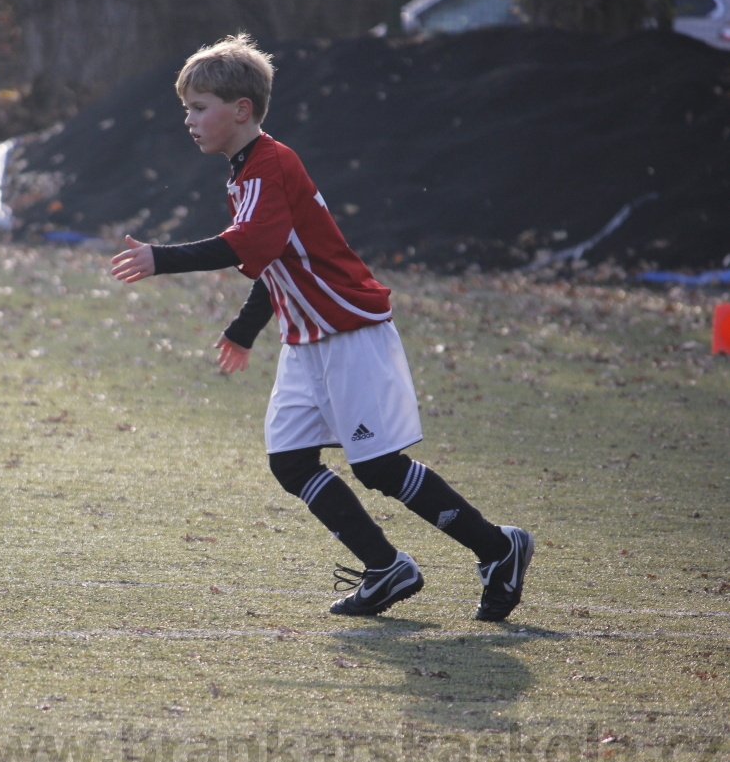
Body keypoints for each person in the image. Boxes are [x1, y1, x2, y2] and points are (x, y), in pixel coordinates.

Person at [109, 34, 533, 621]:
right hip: (307, 341)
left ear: (242, 110)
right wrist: (242, 330)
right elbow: (271, 262)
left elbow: (252, 244)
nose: (189, 119)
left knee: (379, 467)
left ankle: (498, 548)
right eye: (187, 108)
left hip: (349, 330)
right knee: (290, 460)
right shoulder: (244, 174)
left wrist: (162, 258)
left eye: (199, 107)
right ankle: (387, 568)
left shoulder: (271, 164)